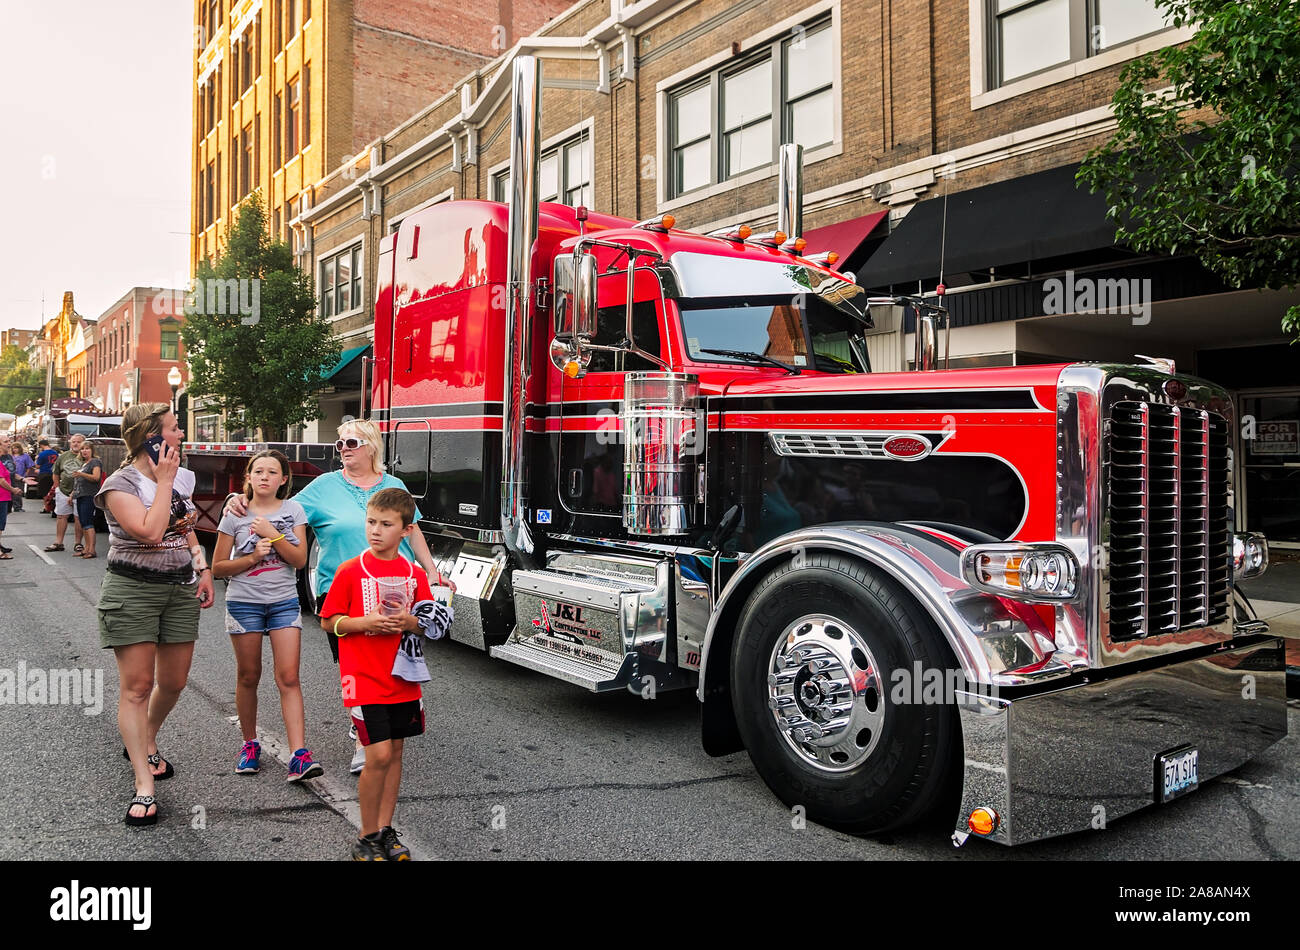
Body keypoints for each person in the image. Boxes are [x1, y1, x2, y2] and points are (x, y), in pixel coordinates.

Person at [223, 418, 451, 775]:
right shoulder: (323, 487)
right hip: (342, 589)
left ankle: (369, 723)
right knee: (356, 663)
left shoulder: (394, 485)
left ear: (372, 446)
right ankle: (365, 733)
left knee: (392, 659)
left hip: (395, 586)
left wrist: (432, 570)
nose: (344, 450)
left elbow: (413, 531)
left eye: (352, 443)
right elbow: (277, 508)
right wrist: (240, 499)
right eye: (340, 444)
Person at [97, 403, 215, 826]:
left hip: (179, 589)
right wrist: (163, 480)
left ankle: (144, 738)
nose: (181, 434)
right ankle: (144, 784)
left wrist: (201, 567)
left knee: (175, 681)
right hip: (132, 591)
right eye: (174, 428)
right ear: (151, 436)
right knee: (137, 687)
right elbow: (148, 531)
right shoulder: (119, 483)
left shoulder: (182, 476)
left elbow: (184, 529)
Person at [320, 488, 450, 860]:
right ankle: (366, 835)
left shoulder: (413, 573)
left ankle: (385, 830)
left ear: (406, 531)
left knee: (394, 754)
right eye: (371, 522)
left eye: (386, 524)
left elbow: (428, 624)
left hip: (403, 678)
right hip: (363, 677)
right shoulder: (350, 570)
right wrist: (365, 622)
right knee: (375, 756)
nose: (375, 530)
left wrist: (412, 622)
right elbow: (329, 623)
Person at [213, 450, 322, 781]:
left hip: (283, 602)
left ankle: (299, 755)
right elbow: (219, 567)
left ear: (283, 479)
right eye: (257, 471)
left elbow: (300, 560)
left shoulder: (294, 510)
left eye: (272, 472)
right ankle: (249, 744)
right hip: (244, 602)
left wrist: (272, 534)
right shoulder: (235, 512)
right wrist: (251, 558)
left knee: (288, 676)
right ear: (248, 476)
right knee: (249, 675)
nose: (264, 477)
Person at [47, 434, 87, 553]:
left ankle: (78, 543)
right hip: (64, 491)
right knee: (61, 516)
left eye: (78, 442)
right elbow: (56, 473)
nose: (75, 444)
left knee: (78, 518)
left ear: (84, 443)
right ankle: (58, 542)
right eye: (73, 442)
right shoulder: (63, 456)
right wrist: (57, 488)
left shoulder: (87, 457)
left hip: (81, 492)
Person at [71, 442, 103, 558]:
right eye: (82, 449)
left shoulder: (95, 462)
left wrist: (81, 474)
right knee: (83, 522)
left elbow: (96, 477)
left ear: (92, 450)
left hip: (89, 495)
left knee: (88, 522)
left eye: (87, 449)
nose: (84, 451)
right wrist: (72, 494)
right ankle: (86, 548)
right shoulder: (84, 464)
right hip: (80, 495)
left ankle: (92, 550)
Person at [0, 436, 20, 560]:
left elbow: (10, 474)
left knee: (1, 522)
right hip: (2, 495)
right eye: (6, 442)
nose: (9, 443)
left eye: (9, 441)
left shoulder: (8, 458)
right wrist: (13, 489)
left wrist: (23, 479)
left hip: (5, 496)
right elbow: (1, 480)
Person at [10, 441, 33, 512]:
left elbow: (29, 466)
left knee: (18, 492)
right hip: (10, 476)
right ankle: (9, 506)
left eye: (16, 448)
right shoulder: (10, 456)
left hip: (20, 476)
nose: (14, 450)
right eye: (13, 448)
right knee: (9, 492)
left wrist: (26, 474)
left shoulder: (25, 456)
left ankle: (18, 507)